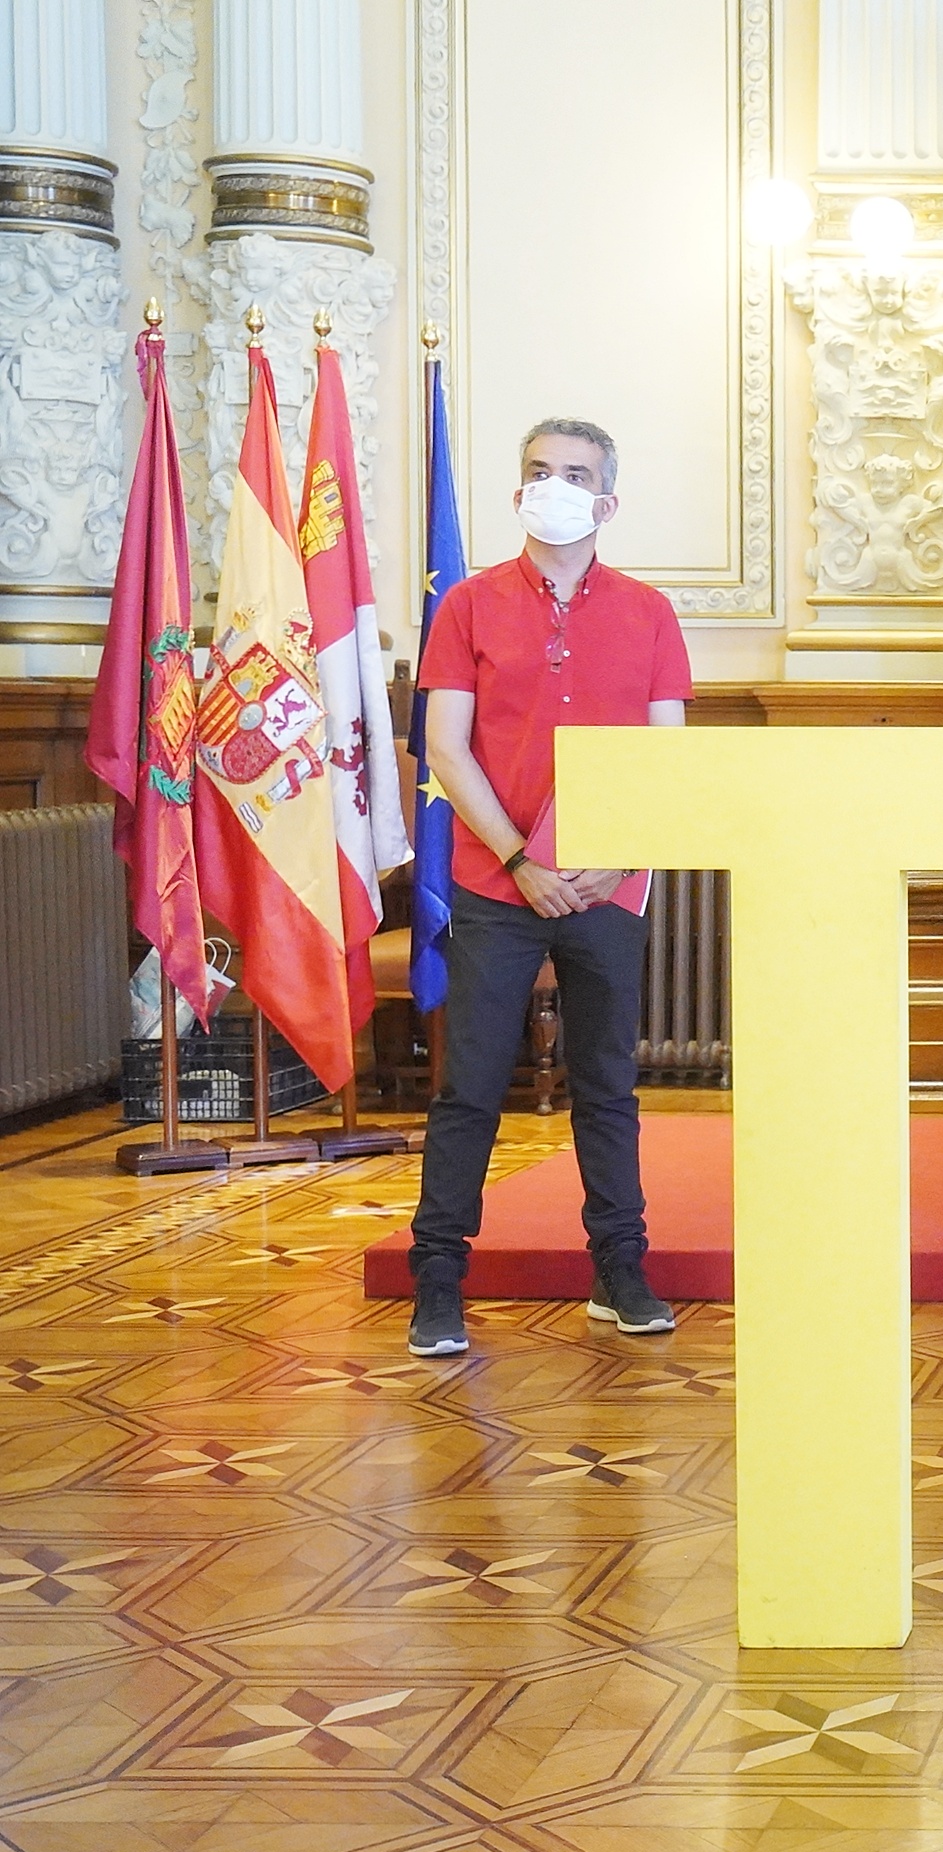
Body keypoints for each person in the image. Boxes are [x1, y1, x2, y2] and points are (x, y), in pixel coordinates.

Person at [407, 418, 690, 1357]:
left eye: (574, 474)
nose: (553, 486)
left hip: (609, 884)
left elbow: (668, 758)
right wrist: (520, 860)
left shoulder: (649, 612)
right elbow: (445, 746)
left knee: (607, 1084)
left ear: (606, 501)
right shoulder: (468, 605)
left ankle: (620, 1269)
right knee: (470, 1086)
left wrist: (619, 859)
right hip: (497, 885)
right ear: (517, 490)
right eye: (538, 471)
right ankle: (437, 1278)